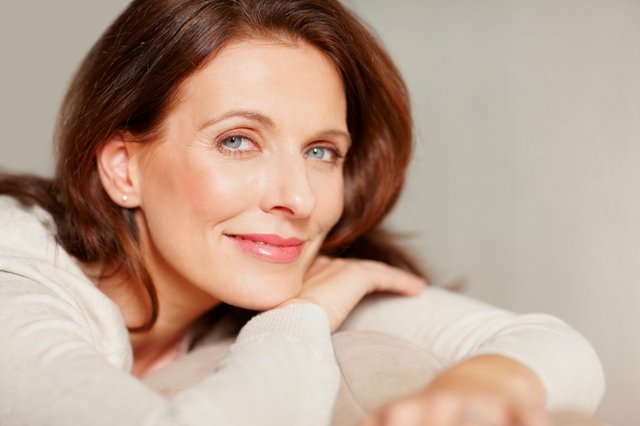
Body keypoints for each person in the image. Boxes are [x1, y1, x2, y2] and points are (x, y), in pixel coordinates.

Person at [0, 0, 604, 425]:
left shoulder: (266, 270)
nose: (300, 198)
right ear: (123, 168)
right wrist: (299, 319)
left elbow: (553, 346)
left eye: (321, 151)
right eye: (238, 140)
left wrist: (470, 390)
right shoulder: (15, 271)